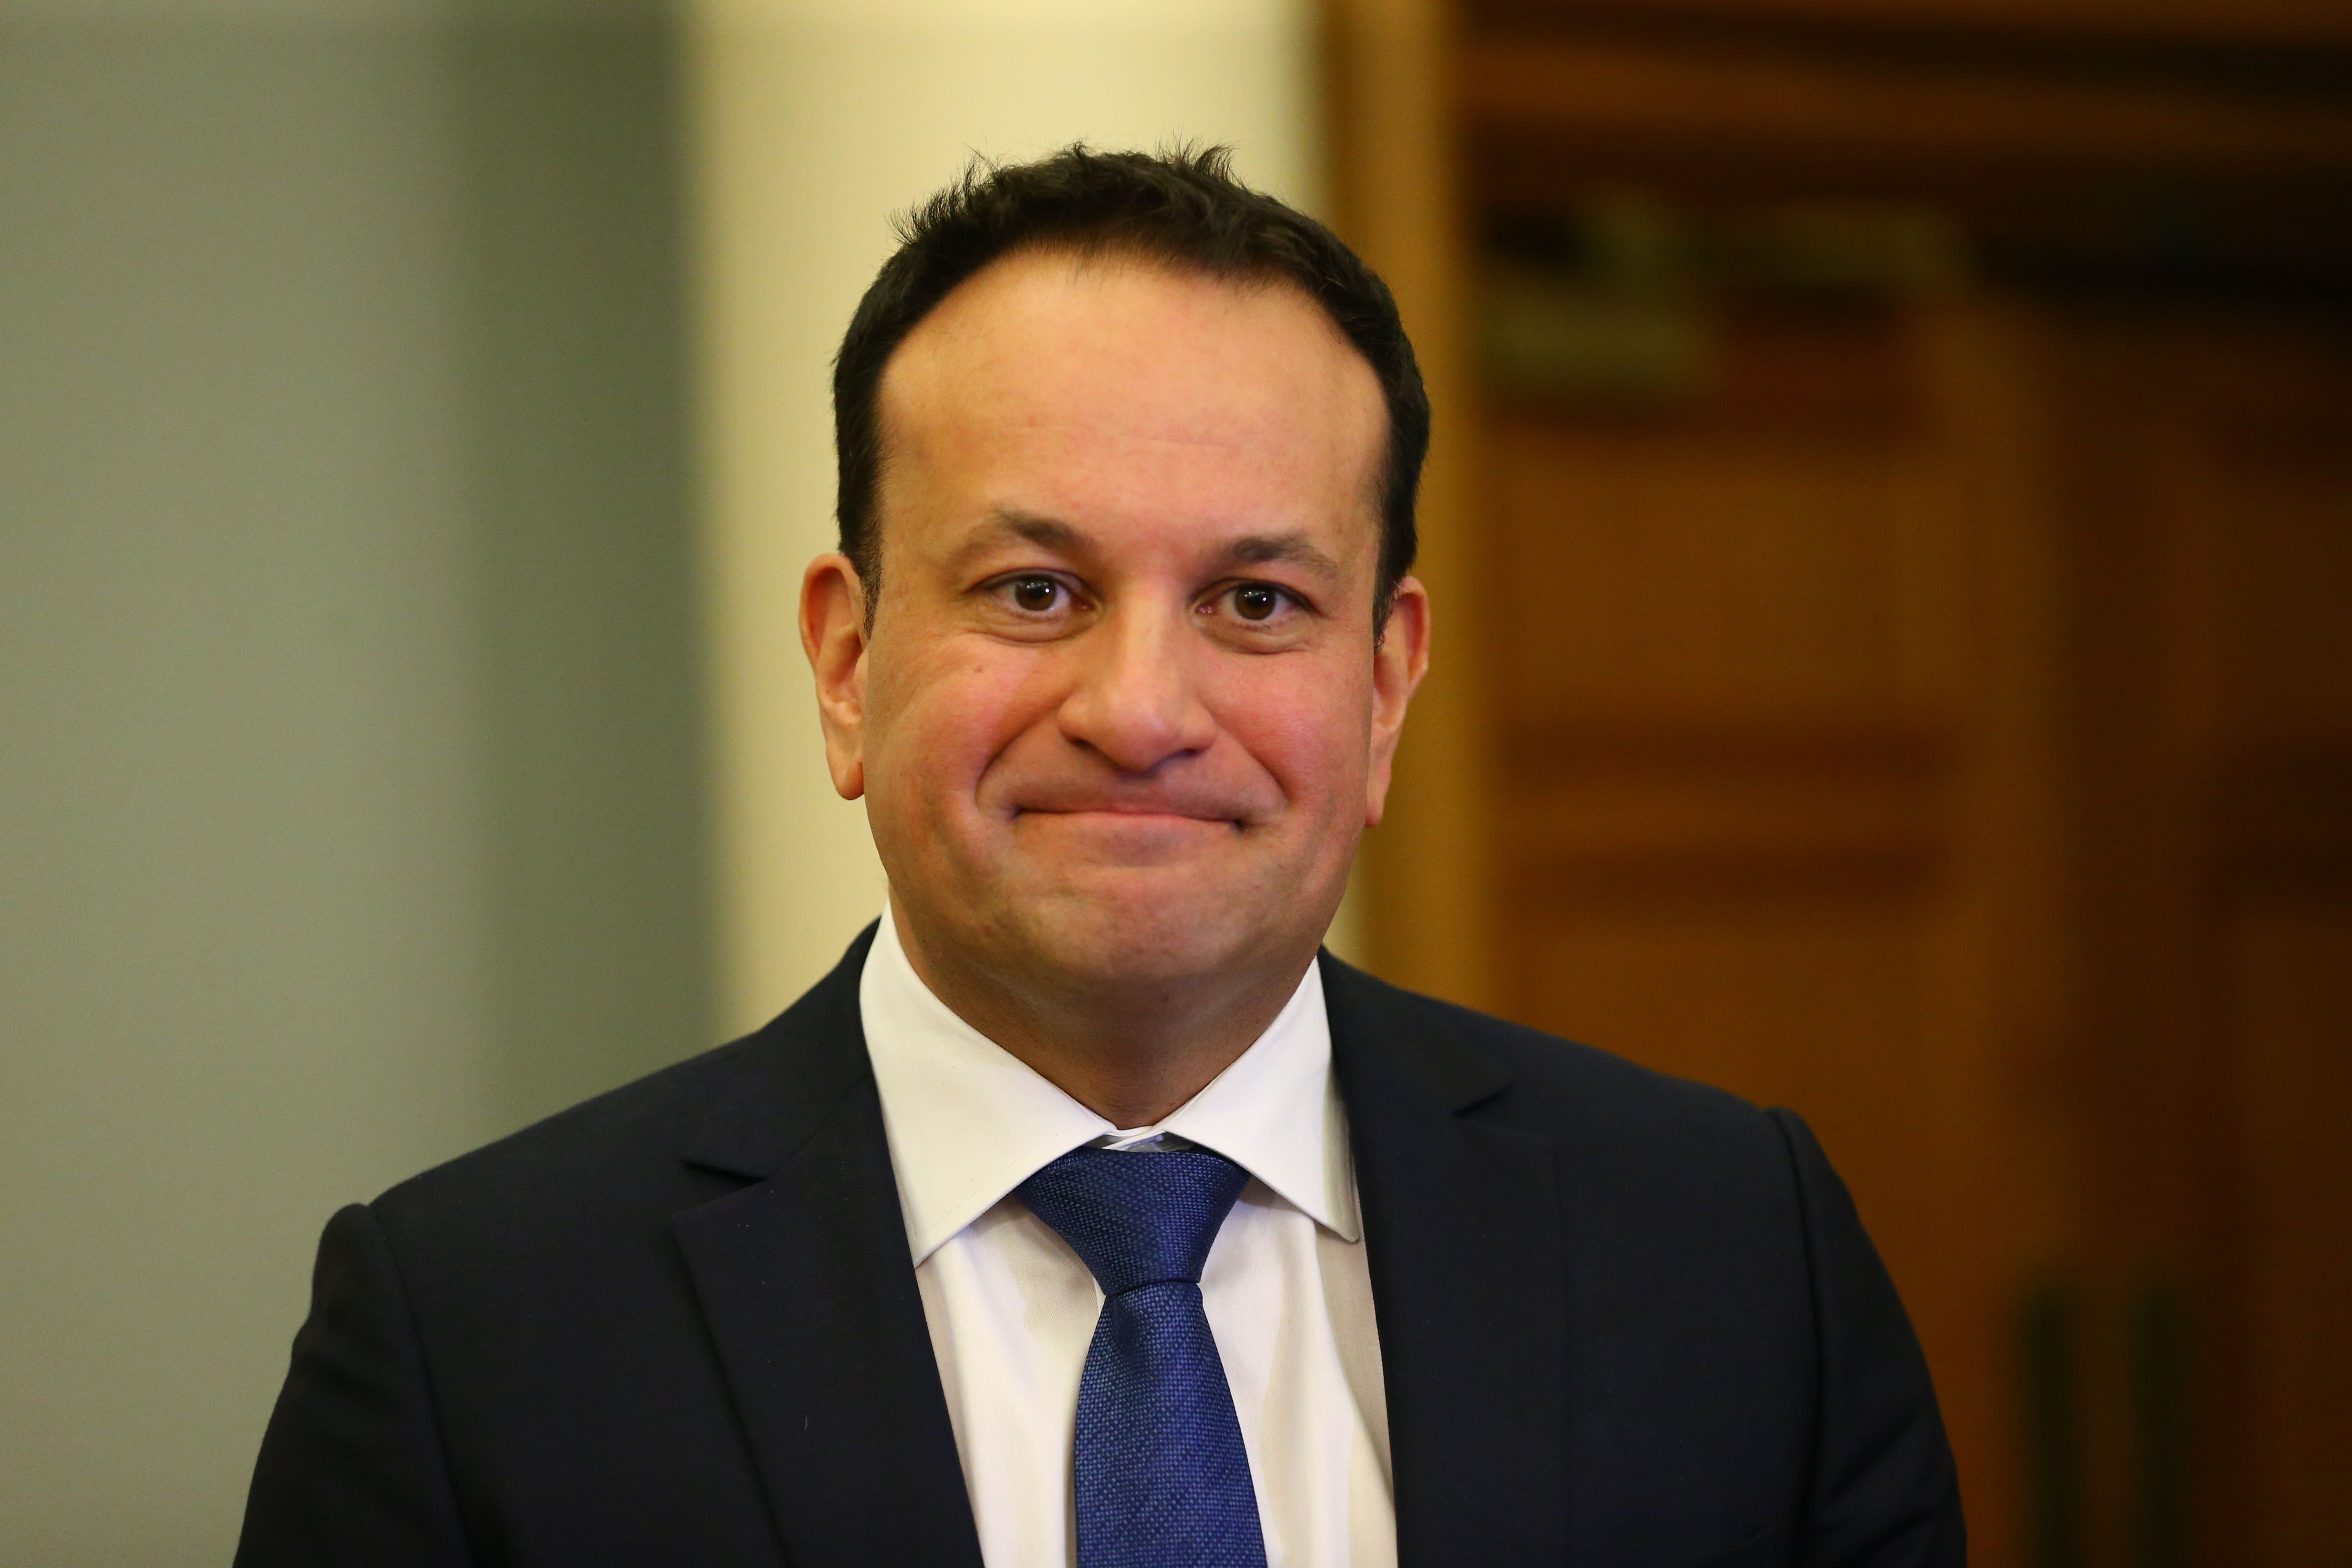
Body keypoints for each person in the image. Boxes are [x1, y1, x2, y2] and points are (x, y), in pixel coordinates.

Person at [235, 146, 1963, 1568]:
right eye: (1035, 591)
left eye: (1256, 602)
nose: (1142, 709)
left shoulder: (1736, 1257)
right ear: (846, 665)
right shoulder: (474, 1339)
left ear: (1383, 687)